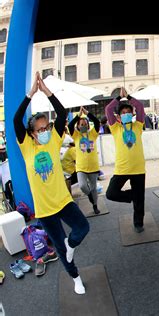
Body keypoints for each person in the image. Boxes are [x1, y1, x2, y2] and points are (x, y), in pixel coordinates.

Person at [14, 72, 89, 294]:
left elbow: (63, 112)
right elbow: (16, 120)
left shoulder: (53, 141)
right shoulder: (27, 146)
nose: (45, 131)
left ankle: (71, 245)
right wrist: (30, 94)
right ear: (32, 134)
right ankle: (75, 278)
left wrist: (47, 92)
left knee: (82, 228)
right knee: (58, 245)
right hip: (45, 209)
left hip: (63, 200)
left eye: (47, 127)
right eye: (41, 129)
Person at [105, 87, 146, 233]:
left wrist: (128, 97)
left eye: (129, 111)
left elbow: (140, 106)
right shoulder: (116, 128)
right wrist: (118, 98)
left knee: (140, 203)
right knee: (111, 193)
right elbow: (108, 110)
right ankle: (133, 195)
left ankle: (138, 223)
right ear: (119, 116)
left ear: (132, 113)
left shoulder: (138, 125)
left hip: (138, 168)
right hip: (122, 169)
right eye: (123, 113)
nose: (126, 114)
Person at [68, 107, 101, 214]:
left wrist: (87, 113)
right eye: (81, 124)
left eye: (85, 124)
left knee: (93, 187)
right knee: (82, 185)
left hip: (93, 166)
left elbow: (96, 122)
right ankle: (89, 195)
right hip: (81, 167)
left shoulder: (93, 133)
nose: (83, 126)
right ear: (77, 126)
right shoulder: (76, 135)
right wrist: (78, 115)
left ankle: (95, 205)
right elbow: (69, 125)